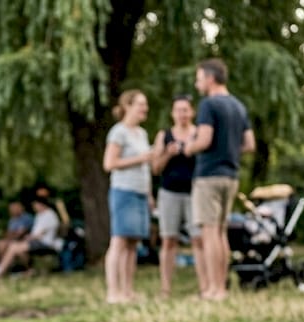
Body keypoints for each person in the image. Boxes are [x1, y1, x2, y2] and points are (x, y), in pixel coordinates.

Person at [186, 59, 256, 301]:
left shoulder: (209, 104)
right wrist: (229, 149)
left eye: (199, 78)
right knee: (221, 233)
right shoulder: (238, 106)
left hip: (209, 175)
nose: (197, 83)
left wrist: (188, 147)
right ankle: (221, 288)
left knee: (209, 232)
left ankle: (214, 290)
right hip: (231, 176)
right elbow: (249, 144)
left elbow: (204, 140)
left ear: (210, 78)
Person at [102, 89, 153, 304]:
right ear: (128, 106)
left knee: (133, 244)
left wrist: (149, 194)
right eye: (141, 104)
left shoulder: (141, 134)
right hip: (123, 192)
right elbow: (109, 164)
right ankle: (113, 292)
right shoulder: (118, 132)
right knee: (119, 241)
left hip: (140, 192)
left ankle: (127, 291)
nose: (145, 108)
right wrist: (141, 158)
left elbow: (146, 168)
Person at [150, 95, 197, 298]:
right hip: (169, 192)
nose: (182, 114)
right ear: (172, 113)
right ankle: (165, 288)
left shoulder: (199, 134)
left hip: (195, 192)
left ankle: (205, 286)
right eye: (178, 110)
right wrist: (168, 153)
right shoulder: (164, 135)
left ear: (191, 112)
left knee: (199, 239)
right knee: (169, 240)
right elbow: (155, 168)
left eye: (185, 110)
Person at [0, 195, 61, 277]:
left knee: (14, 247)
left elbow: (40, 234)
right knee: (16, 248)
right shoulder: (40, 215)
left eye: (35, 205)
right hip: (36, 241)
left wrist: (29, 237)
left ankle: (0, 271)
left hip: (45, 243)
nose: (34, 207)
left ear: (41, 204)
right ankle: (26, 270)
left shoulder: (50, 215)